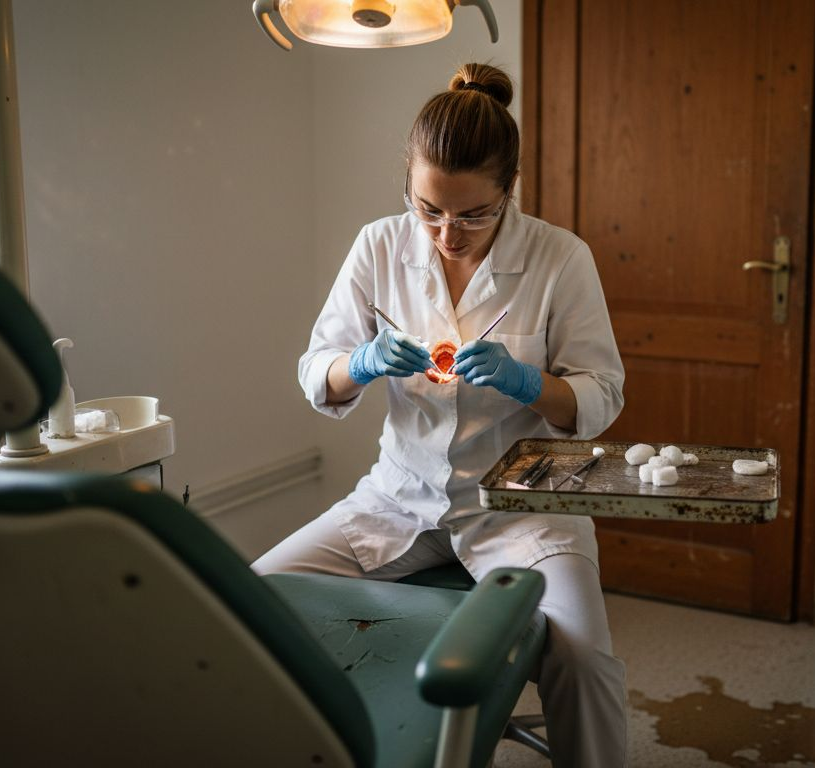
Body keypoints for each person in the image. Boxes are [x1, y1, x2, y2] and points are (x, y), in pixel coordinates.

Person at [254, 62, 627, 767]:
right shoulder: (378, 246)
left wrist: (530, 383)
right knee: (252, 602)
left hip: (525, 510)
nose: (447, 235)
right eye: (429, 210)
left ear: (509, 193)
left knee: (582, 661)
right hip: (398, 499)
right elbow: (316, 373)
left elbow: (602, 396)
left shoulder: (560, 259)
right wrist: (361, 362)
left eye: (472, 215)